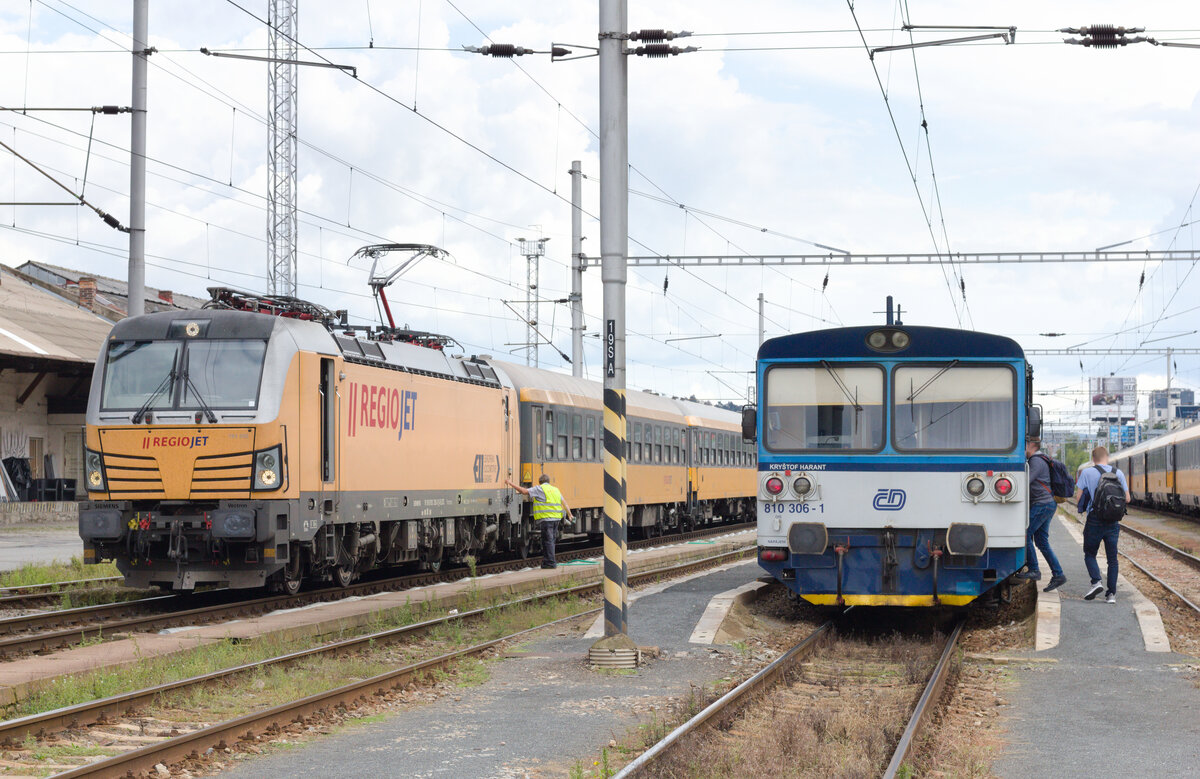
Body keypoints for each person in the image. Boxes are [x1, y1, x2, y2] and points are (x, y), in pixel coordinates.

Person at [1075, 445, 1131, 604]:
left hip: (1094, 519)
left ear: (1093, 459)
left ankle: (1096, 582)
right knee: (1112, 559)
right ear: (1107, 457)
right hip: (1113, 521)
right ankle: (1111, 595)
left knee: (1090, 553)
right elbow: (1127, 499)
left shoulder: (1087, 472)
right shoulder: (1118, 473)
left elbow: (1079, 498)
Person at [1018, 439, 1067, 591]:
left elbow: (1026, 481)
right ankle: (1058, 575)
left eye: (1024, 445)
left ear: (1031, 445)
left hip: (1042, 504)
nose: (1023, 448)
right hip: (1046, 504)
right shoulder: (1040, 459)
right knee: (1041, 541)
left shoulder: (1036, 461)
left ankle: (1034, 569)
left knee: (1025, 533)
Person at [506, 474, 573, 569]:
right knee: (551, 541)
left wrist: (510, 483)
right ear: (548, 481)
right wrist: (570, 514)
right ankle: (547, 562)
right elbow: (564, 503)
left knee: (548, 541)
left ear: (540, 482)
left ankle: (550, 563)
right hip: (556, 519)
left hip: (547, 519)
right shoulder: (555, 490)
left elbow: (523, 491)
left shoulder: (540, 489)